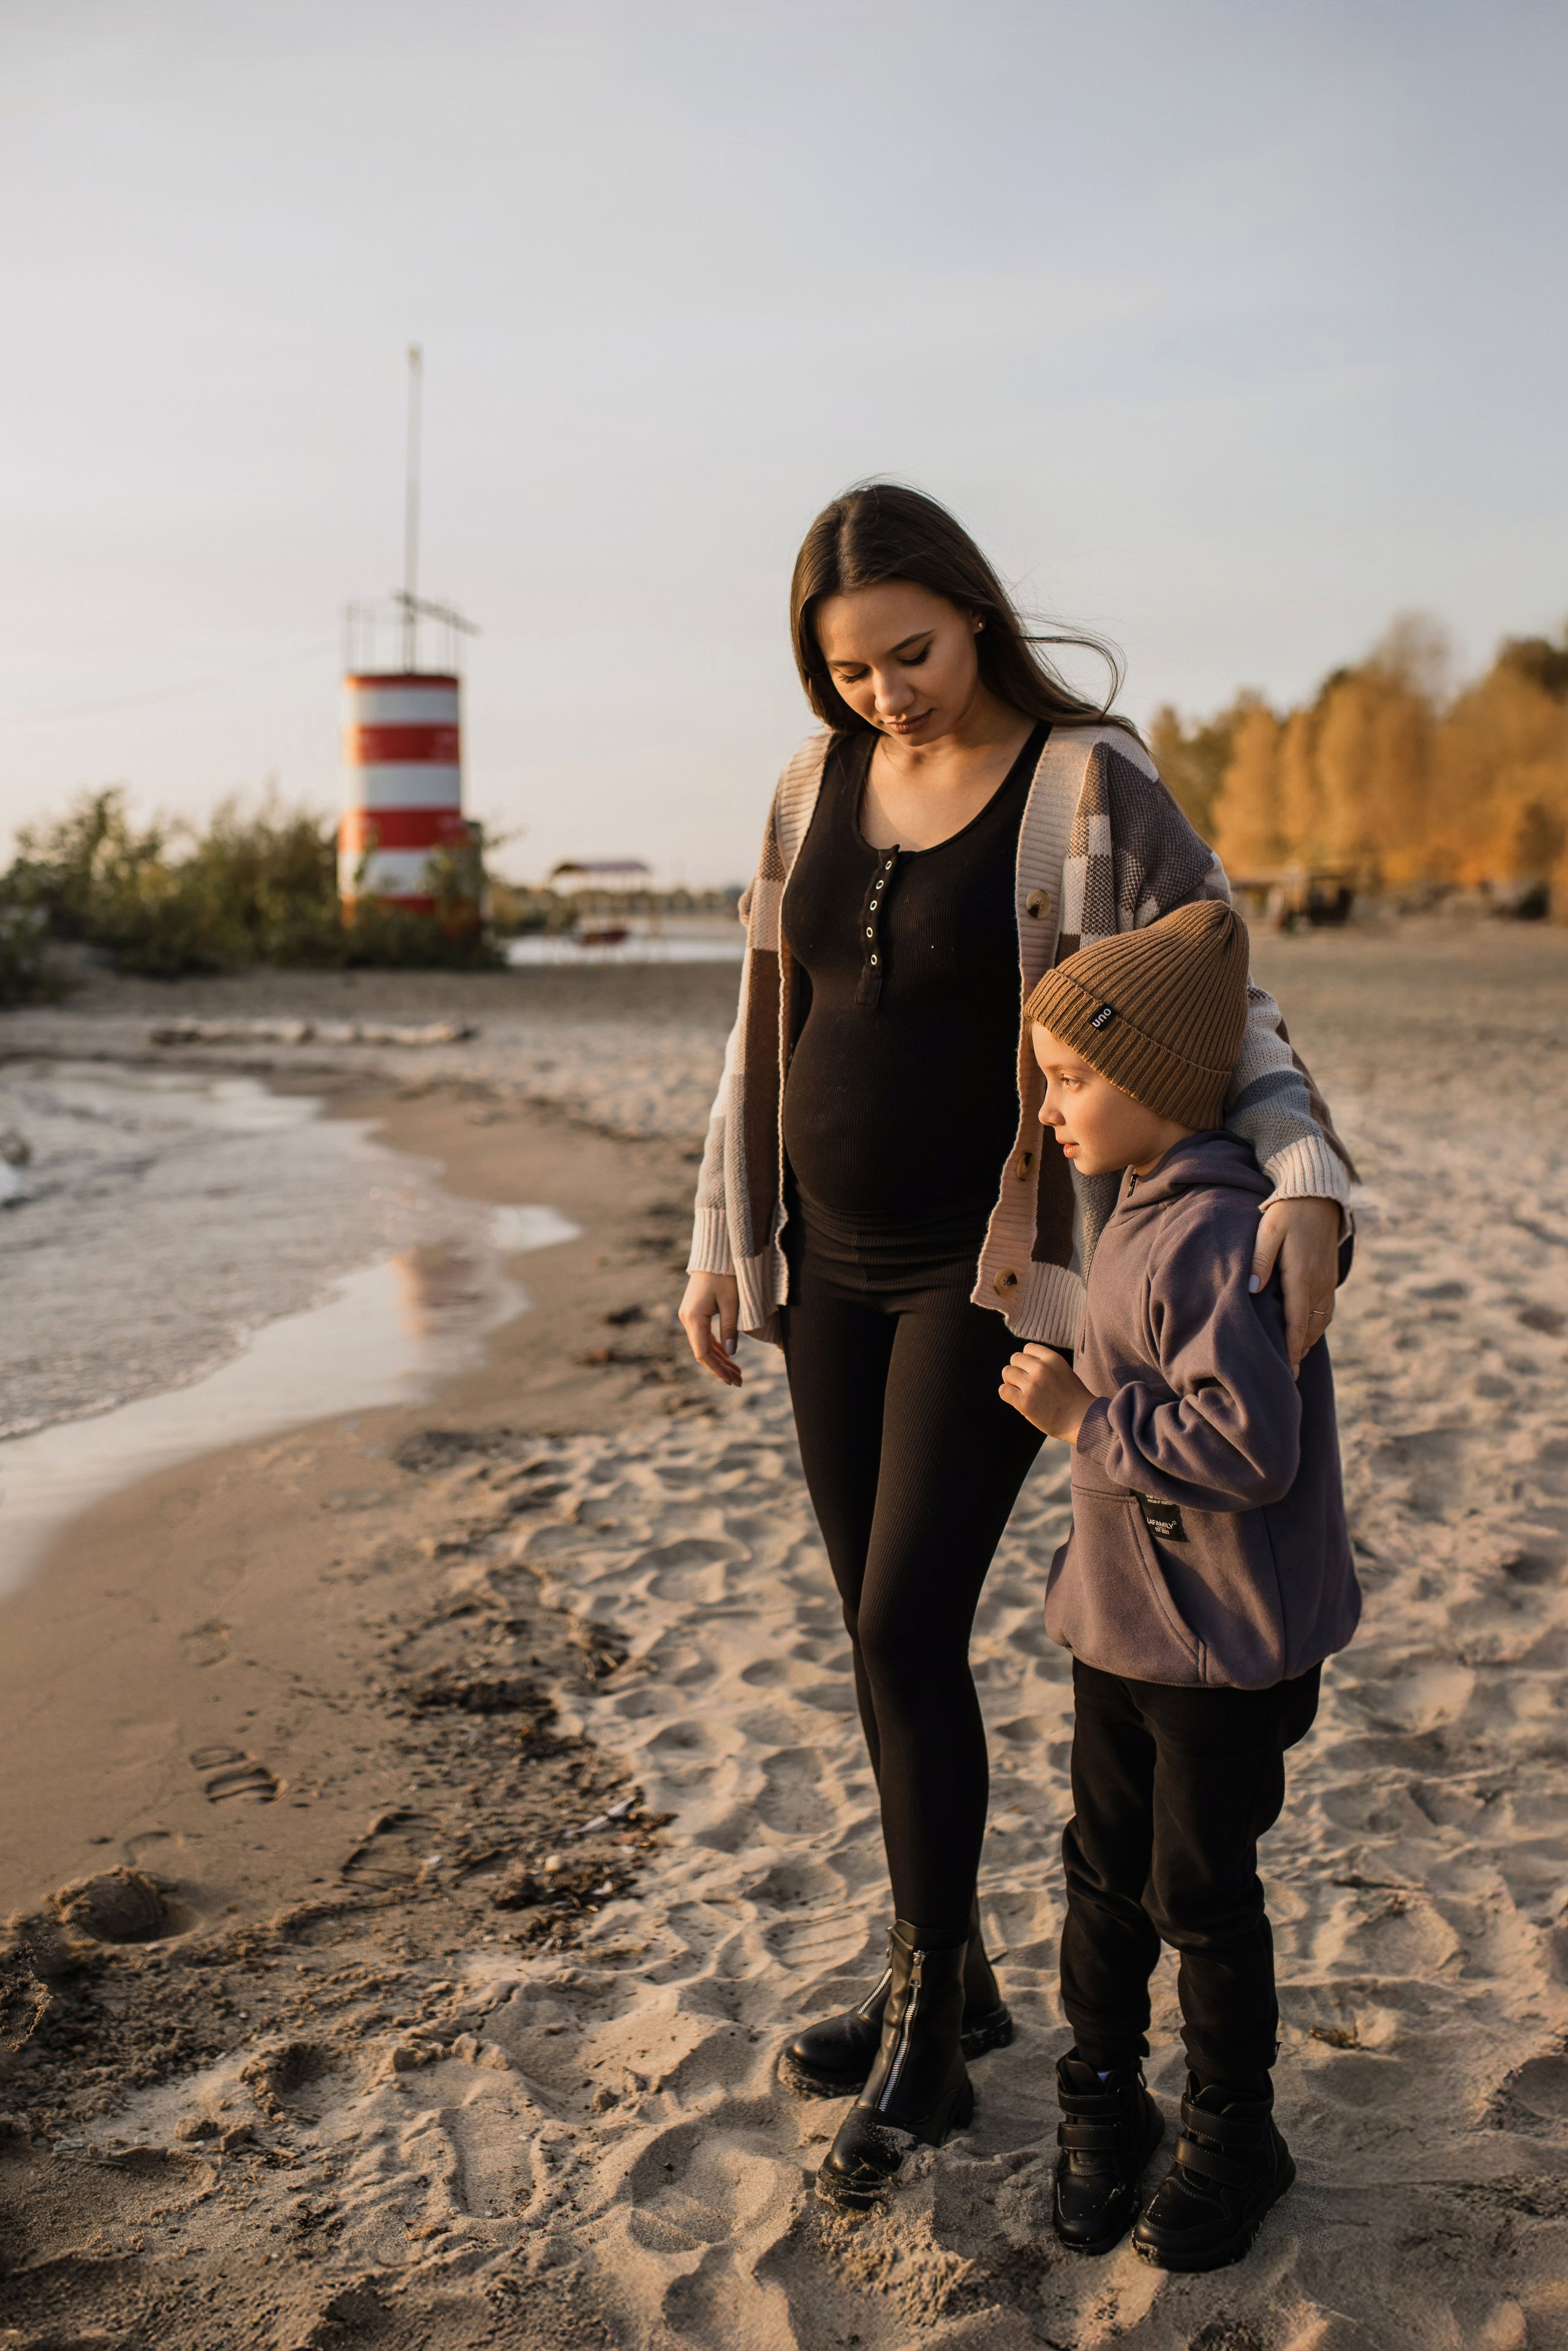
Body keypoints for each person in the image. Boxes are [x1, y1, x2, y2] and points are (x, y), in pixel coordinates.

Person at [678, 483, 1353, 2213]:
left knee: (910, 1611)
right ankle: (955, 1972)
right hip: (824, 1257)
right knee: (873, 1629)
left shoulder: (1089, 779)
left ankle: (926, 2021)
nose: (886, 692)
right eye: (849, 667)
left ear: (975, 611)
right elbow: (768, 1024)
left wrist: (1307, 1175)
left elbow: (1226, 996)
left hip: (996, 1270)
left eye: (912, 649)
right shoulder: (803, 787)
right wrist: (718, 1239)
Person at [1000, 899, 1360, 2271]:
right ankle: (1101, 2102)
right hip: (1120, 1627)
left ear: (1156, 1081)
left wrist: (1085, 1419)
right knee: (1099, 1870)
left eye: (1074, 1078)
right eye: (1046, 1075)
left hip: (1213, 1648)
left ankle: (1231, 2133)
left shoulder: (1213, 1233)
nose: (1049, 1106)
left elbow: (1250, 1449)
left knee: (1198, 1893)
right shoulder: (1139, 1206)